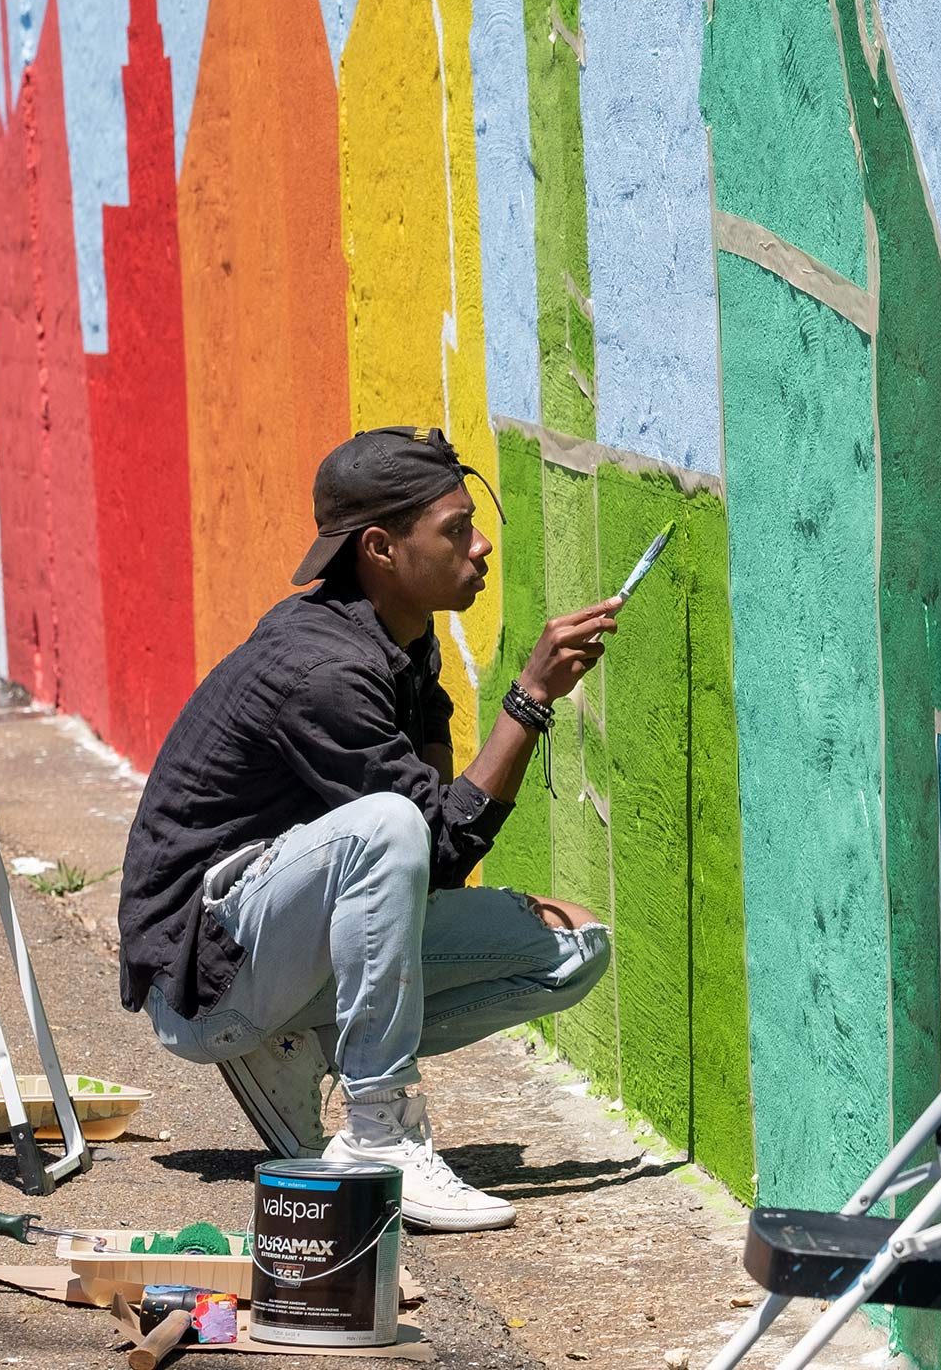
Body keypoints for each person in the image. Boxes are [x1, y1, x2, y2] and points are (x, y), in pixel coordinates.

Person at [117, 425, 618, 1231]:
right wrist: (528, 700)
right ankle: (379, 1131)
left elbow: (438, 861)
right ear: (382, 549)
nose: (481, 544)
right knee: (383, 826)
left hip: (280, 946)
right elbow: (425, 838)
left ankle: (296, 1048)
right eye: (455, 530)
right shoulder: (325, 670)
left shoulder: (403, 648)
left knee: (572, 948)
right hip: (208, 975)